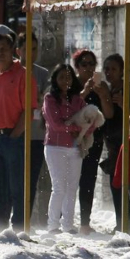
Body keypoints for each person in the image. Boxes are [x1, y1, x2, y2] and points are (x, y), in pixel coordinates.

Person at [0, 32, 37, 232]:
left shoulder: (23, 75)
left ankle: (20, 231)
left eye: (3, 49)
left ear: (12, 51)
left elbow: (28, 110)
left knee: (17, 189)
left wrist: (13, 137)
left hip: (13, 139)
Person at [42, 63, 87, 234]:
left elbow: (90, 120)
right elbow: (55, 125)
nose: (65, 81)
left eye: (68, 77)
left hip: (75, 148)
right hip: (55, 147)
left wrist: (82, 132)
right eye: (61, 77)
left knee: (72, 187)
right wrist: (76, 129)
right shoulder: (50, 99)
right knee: (59, 186)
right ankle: (53, 224)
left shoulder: (78, 100)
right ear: (55, 79)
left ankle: (68, 224)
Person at [99, 53, 130, 232]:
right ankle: (121, 222)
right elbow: (108, 115)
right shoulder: (108, 89)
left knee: (124, 184)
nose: (109, 73)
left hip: (126, 141)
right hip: (112, 143)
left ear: (122, 71)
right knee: (115, 184)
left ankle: (128, 224)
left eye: (113, 69)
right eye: (107, 69)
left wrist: (123, 104)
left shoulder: (128, 89)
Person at [72, 49, 112, 234]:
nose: (88, 68)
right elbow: (68, 110)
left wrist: (103, 95)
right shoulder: (70, 85)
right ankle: (65, 219)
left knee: (88, 179)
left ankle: (85, 222)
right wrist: (85, 91)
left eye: (91, 64)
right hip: (71, 140)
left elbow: (109, 114)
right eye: (84, 64)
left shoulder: (101, 87)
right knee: (69, 179)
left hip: (93, 140)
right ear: (77, 67)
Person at [16, 31, 50, 217]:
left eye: (35, 49)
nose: (31, 53)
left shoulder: (42, 74)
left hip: (36, 134)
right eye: (27, 49)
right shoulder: (11, 72)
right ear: (18, 51)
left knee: (31, 181)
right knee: (11, 180)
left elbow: (44, 100)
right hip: (15, 132)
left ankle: (25, 219)